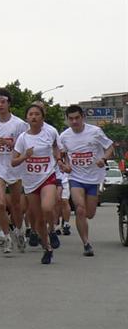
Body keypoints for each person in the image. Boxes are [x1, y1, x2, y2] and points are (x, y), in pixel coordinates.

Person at [58, 105, 114, 256]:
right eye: (71, 119)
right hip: (75, 177)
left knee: (90, 213)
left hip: (93, 178)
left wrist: (103, 158)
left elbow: (110, 147)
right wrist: (64, 164)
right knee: (80, 209)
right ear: (67, 119)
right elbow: (60, 154)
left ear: (83, 117)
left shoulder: (95, 132)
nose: (74, 121)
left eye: (77, 118)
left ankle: (86, 233)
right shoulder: (64, 136)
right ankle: (86, 243)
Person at [12, 104, 62, 264]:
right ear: (26, 118)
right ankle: (47, 248)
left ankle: (52, 230)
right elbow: (13, 161)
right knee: (38, 219)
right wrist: (24, 157)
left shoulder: (50, 132)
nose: (33, 117)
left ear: (42, 117)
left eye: (37, 114)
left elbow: (56, 147)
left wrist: (59, 160)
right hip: (30, 182)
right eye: (30, 114)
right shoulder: (22, 138)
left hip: (47, 176)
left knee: (47, 207)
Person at [0, 89, 28, 254]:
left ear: (9, 103)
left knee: (16, 206)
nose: (0, 105)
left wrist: (9, 144)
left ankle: (19, 231)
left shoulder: (19, 124)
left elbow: (24, 146)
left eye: (3, 102)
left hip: (14, 168)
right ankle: (6, 236)